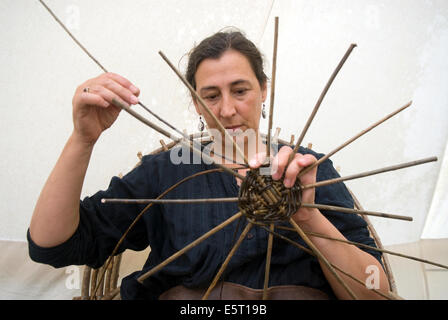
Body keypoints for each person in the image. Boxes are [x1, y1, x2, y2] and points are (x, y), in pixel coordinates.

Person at [28, 30, 390, 300]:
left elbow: (375, 290)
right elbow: (53, 246)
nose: (228, 110)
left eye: (241, 90)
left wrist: (309, 216)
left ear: (265, 89)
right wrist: (83, 138)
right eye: (211, 96)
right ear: (196, 103)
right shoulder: (165, 171)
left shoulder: (311, 171)